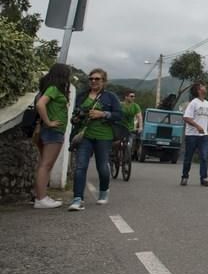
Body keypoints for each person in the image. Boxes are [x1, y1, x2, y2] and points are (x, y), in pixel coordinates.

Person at [68, 68, 122, 211]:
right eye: (91, 78)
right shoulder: (81, 96)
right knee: (80, 166)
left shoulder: (110, 97)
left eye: (97, 79)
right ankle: (77, 199)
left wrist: (103, 114)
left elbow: (118, 115)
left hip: (104, 136)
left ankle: (104, 192)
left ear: (104, 81)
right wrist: (77, 117)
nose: (93, 81)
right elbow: (74, 116)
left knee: (102, 167)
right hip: (84, 136)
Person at [32, 63, 71, 209]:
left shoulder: (48, 88)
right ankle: (41, 199)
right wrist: (48, 122)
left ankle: (40, 196)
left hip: (48, 131)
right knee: (46, 165)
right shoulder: (54, 88)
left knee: (44, 164)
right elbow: (40, 105)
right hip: (53, 131)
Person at [181, 82, 208, 187]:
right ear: (199, 90)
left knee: (204, 156)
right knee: (188, 157)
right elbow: (186, 117)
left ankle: (203, 178)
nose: (205, 87)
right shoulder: (194, 103)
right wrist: (197, 126)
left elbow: (205, 120)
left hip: (204, 136)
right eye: (203, 86)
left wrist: (206, 132)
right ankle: (184, 176)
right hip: (192, 135)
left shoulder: (207, 103)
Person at [121, 90, 143, 158]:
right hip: (120, 127)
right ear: (126, 97)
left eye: (134, 96)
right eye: (131, 96)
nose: (133, 98)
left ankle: (126, 158)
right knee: (116, 144)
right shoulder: (120, 105)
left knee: (129, 145)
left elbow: (139, 116)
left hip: (129, 128)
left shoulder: (136, 106)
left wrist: (140, 127)